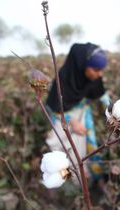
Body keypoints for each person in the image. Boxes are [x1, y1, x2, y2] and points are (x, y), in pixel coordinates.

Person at [45, 42, 110, 185]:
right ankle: (76, 184)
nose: (100, 74)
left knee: (87, 150)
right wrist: (70, 121)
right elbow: (54, 107)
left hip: (83, 116)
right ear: (81, 65)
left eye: (101, 70)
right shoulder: (63, 79)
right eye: (96, 69)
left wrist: (113, 110)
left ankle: (93, 181)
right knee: (71, 154)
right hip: (65, 121)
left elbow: (101, 94)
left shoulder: (93, 77)